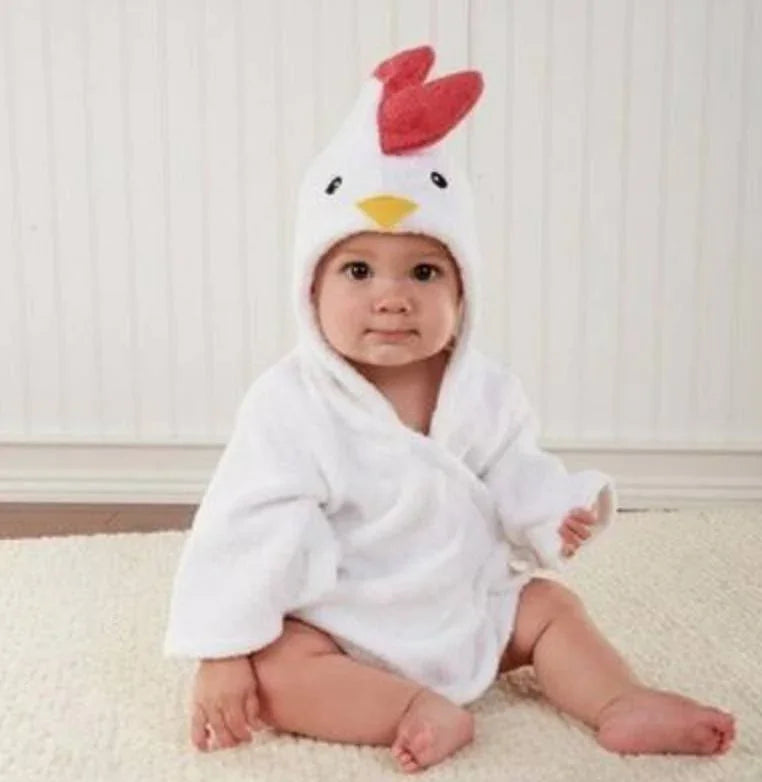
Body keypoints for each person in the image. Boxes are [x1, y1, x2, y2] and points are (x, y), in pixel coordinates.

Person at [163, 45, 736, 772]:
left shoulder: (485, 391)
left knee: (549, 609)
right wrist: (221, 648)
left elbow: (517, 472)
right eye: (358, 270)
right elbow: (245, 525)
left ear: (463, 295)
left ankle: (619, 701)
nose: (392, 297)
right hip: (343, 620)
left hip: (463, 604)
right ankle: (410, 708)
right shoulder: (290, 403)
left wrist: (553, 513)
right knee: (274, 672)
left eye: (424, 271)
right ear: (310, 290)